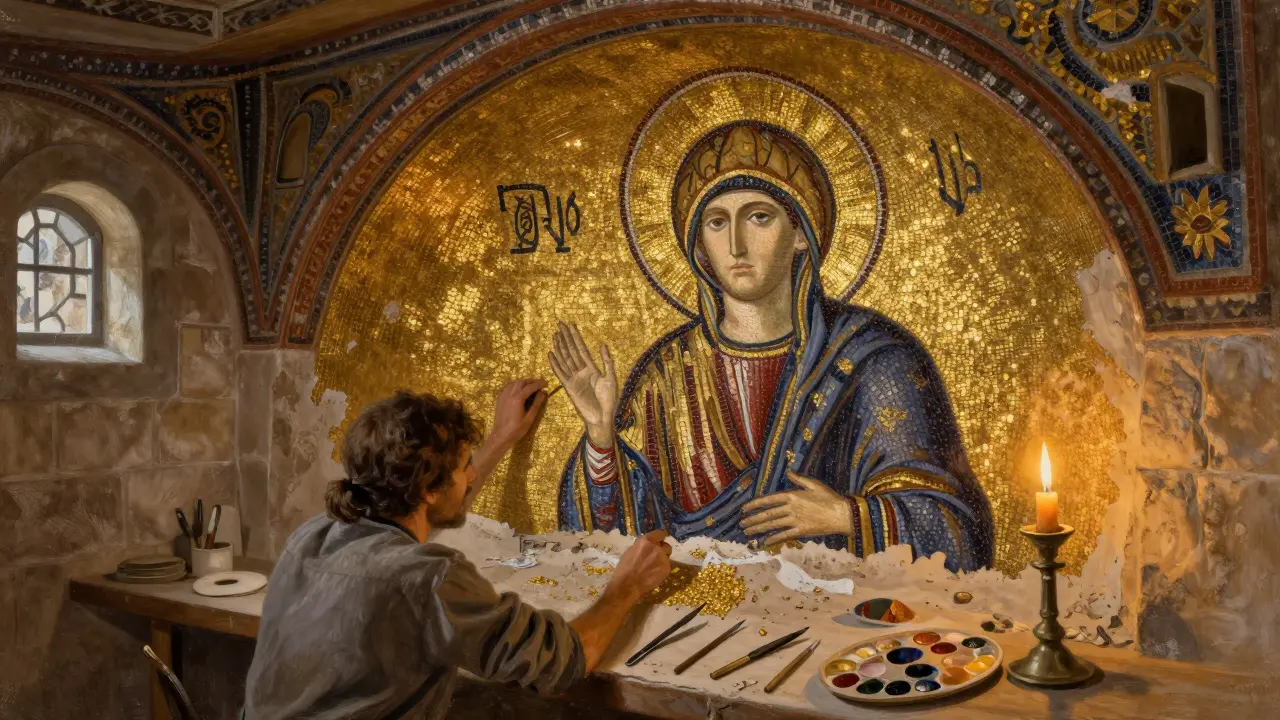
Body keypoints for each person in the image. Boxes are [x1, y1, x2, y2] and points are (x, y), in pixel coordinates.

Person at [552, 122, 994, 572]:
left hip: (843, 620)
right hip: (691, 617)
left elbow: (956, 535)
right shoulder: (665, 375)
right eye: (717, 222)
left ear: (800, 232)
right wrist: (601, 440)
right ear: (699, 248)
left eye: (759, 217)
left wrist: (847, 517)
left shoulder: (874, 360)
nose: (737, 245)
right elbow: (608, 545)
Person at [243, 381, 673, 719]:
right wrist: (625, 587)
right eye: (464, 466)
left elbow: (438, 501)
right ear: (428, 489)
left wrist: (502, 438)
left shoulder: (315, 534)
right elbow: (562, 661)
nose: (470, 476)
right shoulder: (428, 578)